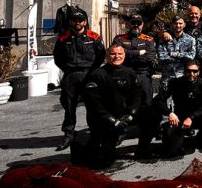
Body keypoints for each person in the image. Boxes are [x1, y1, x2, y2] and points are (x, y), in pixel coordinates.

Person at [138, 60, 202, 158]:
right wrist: (169, 113)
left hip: (199, 116)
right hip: (180, 116)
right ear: (184, 71)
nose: (191, 74)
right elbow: (157, 100)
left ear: (199, 72)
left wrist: (191, 117)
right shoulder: (175, 82)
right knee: (172, 152)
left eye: (194, 71)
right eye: (188, 71)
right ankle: (177, 142)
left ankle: (201, 138)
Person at [78, 44, 141, 166]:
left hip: (124, 115)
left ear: (124, 55)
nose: (117, 56)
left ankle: (142, 150)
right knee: (104, 161)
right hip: (103, 120)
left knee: (151, 115)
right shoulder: (97, 74)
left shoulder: (130, 72)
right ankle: (90, 146)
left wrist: (131, 114)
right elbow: (93, 103)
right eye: (113, 54)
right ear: (107, 56)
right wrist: (112, 120)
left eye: (120, 54)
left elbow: (137, 95)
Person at [53, 10, 106, 151]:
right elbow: (58, 58)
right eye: (74, 20)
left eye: (80, 20)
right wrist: (68, 69)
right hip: (71, 75)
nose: (77, 22)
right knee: (69, 106)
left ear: (84, 22)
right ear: (71, 22)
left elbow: (101, 55)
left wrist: (93, 71)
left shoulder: (94, 37)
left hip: (89, 74)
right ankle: (69, 134)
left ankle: (95, 133)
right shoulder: (63, 38)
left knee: (92, 106)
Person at [112, 14, 157, 106]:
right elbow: (116, 54)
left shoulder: (149, 39)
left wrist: (126, 53)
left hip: (143, 75)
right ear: (129, 24)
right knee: (126, 105)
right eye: (133, 23)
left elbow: (149, 58)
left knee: (146, 104)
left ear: (142, 24)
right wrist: (138, 53)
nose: (136, 25)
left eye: (138, 23)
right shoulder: (119, 38)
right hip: (125, 75)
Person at [157, 15, 196, 90]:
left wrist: (173, 54)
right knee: (165, 101)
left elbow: (191, 56)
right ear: (172, 24)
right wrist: (183, 57)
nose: (178, 25)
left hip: (183, 78)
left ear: (184, 25)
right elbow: (162, 57)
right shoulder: (164, 39)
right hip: (167, 78)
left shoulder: (191, 40)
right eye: (175, 23)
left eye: (180, 23)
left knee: (182, 101)